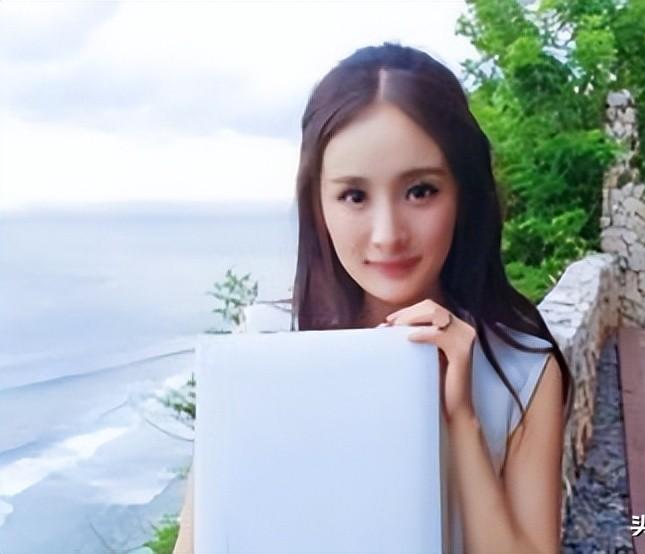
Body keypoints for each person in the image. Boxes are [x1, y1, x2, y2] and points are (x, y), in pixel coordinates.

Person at [174, 42, 573, 554]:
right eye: (354, 196)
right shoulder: (262, 346)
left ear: (464, 193)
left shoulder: (522, 371)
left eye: (420, 190)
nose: (387, 235)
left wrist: (462, 420)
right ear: (318, 205)